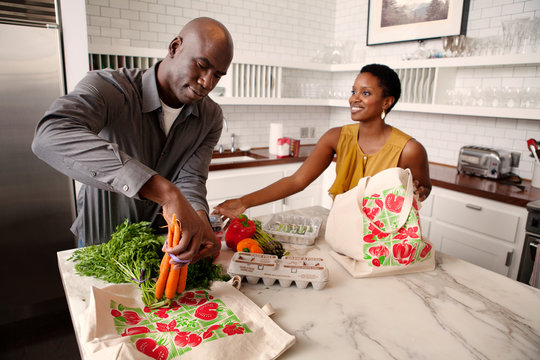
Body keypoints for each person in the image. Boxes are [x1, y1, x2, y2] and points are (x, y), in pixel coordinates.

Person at [32, 17, 234, 263]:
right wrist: (164, 191)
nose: (207, 82)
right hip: (100, 245)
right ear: (174, 47)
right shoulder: (110, 88)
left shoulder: (210, 116)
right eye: (202, 65)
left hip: (160, 250)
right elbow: (50, 134)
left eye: (218, 76)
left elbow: (191, 179)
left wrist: (201, 222)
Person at [213, 63, 431, 220]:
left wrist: (420, 191)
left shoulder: (410, 149)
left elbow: (423, 189)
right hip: (342, 230)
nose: (354, 98)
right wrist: (244, 202)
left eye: (365, 93)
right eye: (354, 91)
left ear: (387, 101)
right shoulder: (335, 137)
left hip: (384, 239)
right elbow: (297, 180)